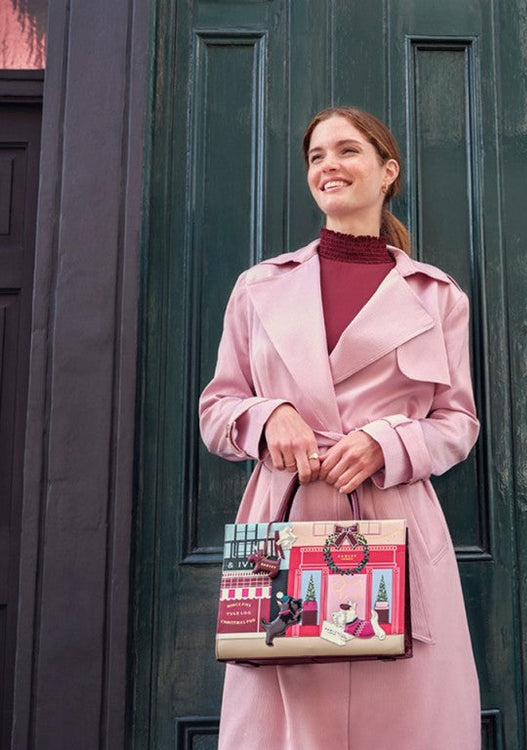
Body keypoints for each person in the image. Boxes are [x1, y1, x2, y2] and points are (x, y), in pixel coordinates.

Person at [199, 106, 481, 748]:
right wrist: (269, 415)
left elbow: (458, 422)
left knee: (409, 721)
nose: (329, 165)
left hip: (396, 529)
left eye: (347, 151)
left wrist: (390, 442)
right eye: (317, 156)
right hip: (283, 522)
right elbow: (216, 411)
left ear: (388, 171)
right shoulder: (258, 288)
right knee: (286, 723)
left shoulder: (437, 297)